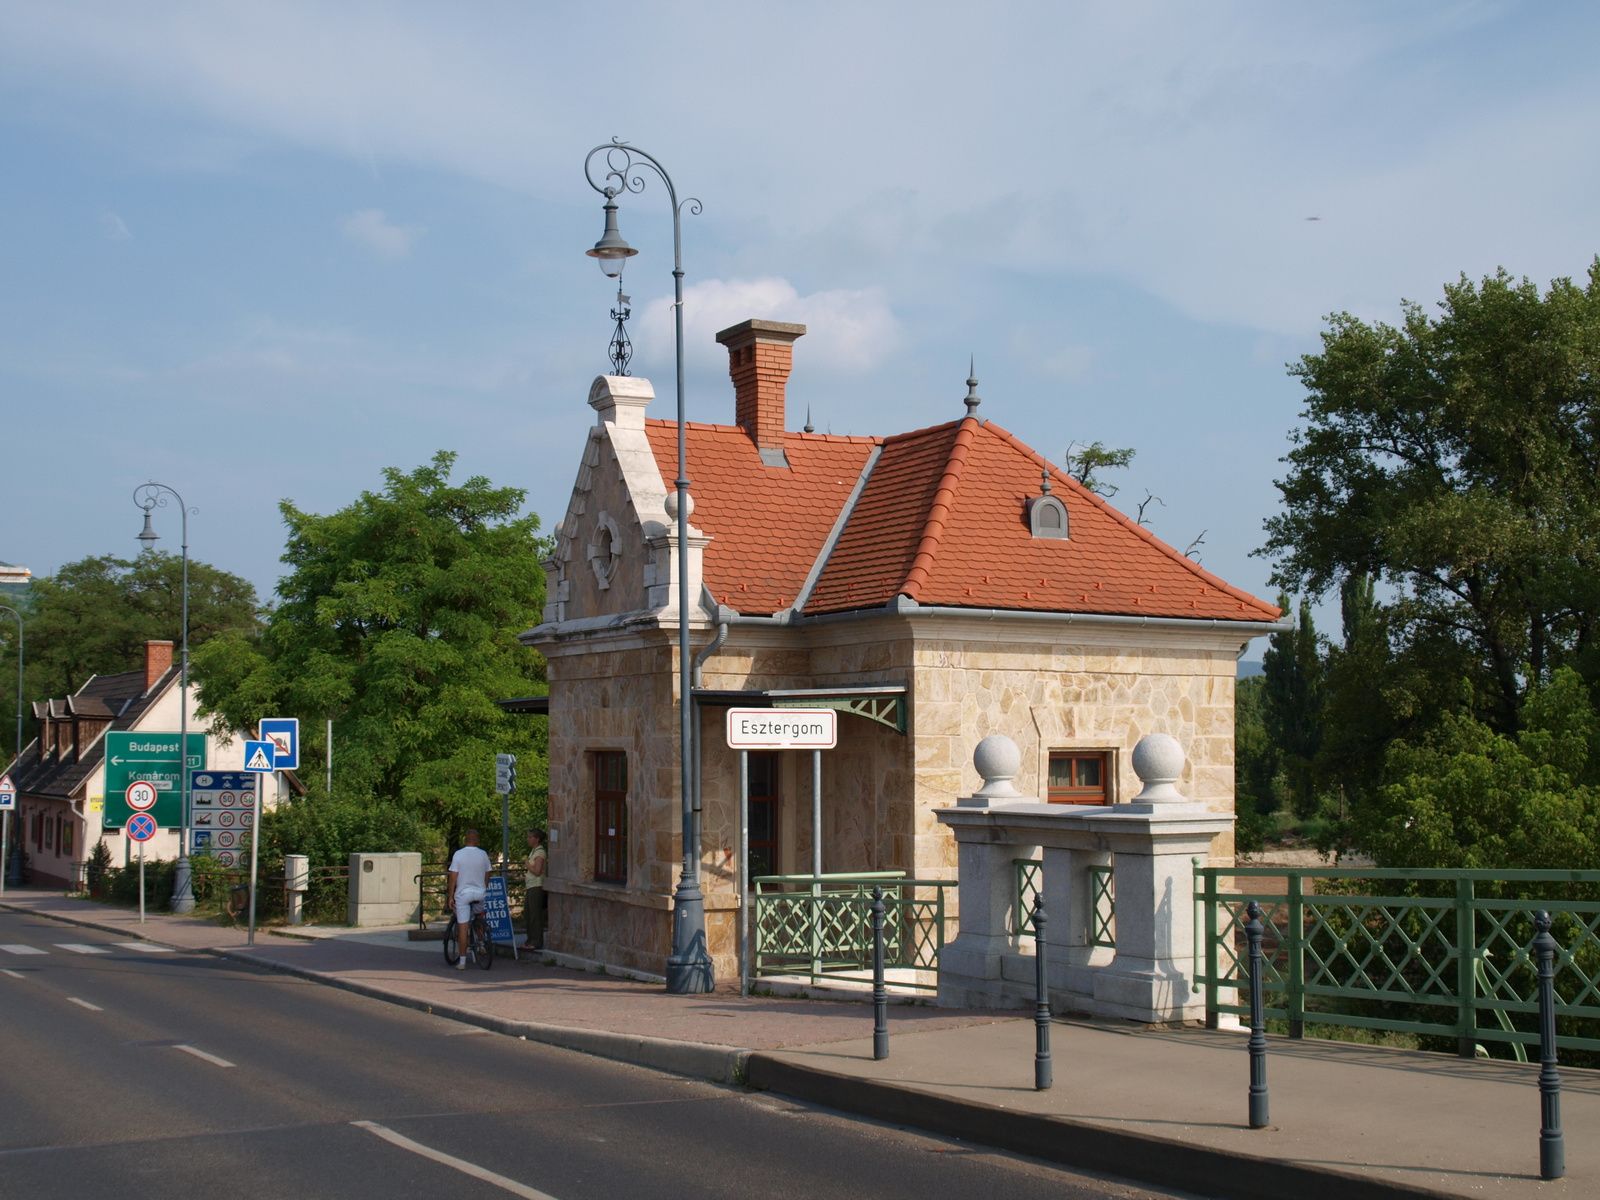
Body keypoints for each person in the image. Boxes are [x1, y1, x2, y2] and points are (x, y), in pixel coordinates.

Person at [447, 829, 492, 970]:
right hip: (480, 893)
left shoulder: (458, 854)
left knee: (463, 927)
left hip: (463, 894)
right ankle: (481, 943)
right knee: (479, 916)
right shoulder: (483, 854)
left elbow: (453, 877)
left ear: (465, 839)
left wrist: (450, 896)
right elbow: (488, 872)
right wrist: (484, 887)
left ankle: (462, 961)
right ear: (477, 840)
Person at [523, 828, 547, 950]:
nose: (528, 839)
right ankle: (529, 940)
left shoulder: (540, 853)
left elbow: (537, 871)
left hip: (537, 885)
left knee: (535, 914)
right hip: (530, 885)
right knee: (528, 914)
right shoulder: (533, 851)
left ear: (537, 839)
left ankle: (536, 941)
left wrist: (527, 864)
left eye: (530, 837)